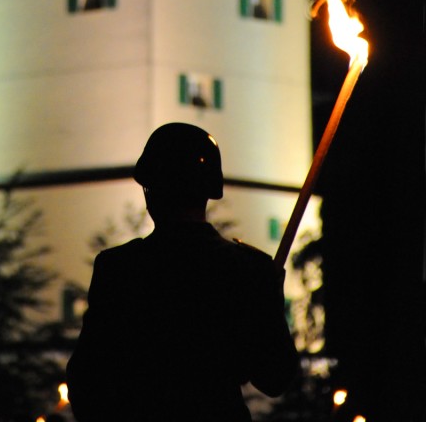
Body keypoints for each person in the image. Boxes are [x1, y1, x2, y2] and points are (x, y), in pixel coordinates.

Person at [66, 123, 298, 421]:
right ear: (208, 192)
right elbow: (275, 378)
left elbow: (87, 378)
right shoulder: (248, 268)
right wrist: (269, 300)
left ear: (151, 192)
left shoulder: (120, 268)